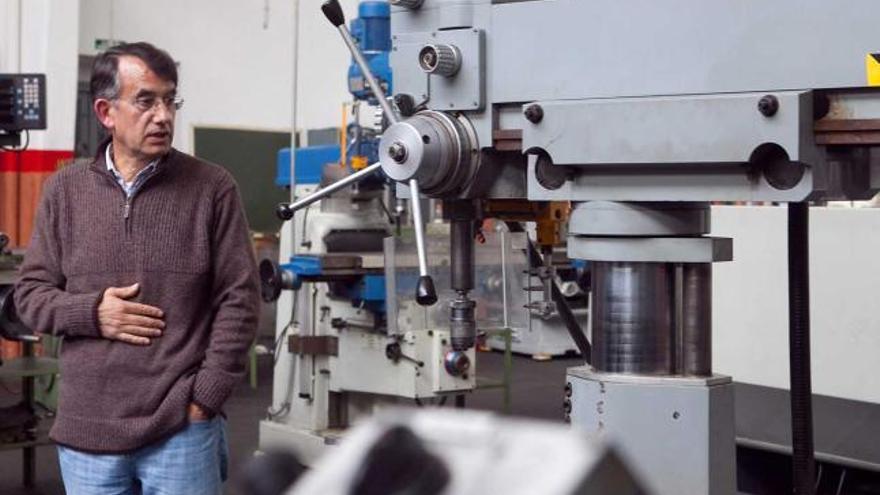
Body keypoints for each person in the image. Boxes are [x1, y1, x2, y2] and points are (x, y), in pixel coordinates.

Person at [14, 42, 259, 494]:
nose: (163, 115)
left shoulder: (212, 188)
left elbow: (239, 299)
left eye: (170, 100)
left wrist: (206, 396)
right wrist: (92, 314)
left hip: (181, 427)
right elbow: (30, 294)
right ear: (106, 112)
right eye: (146, 101)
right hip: (88, 429)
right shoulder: (64, 191)